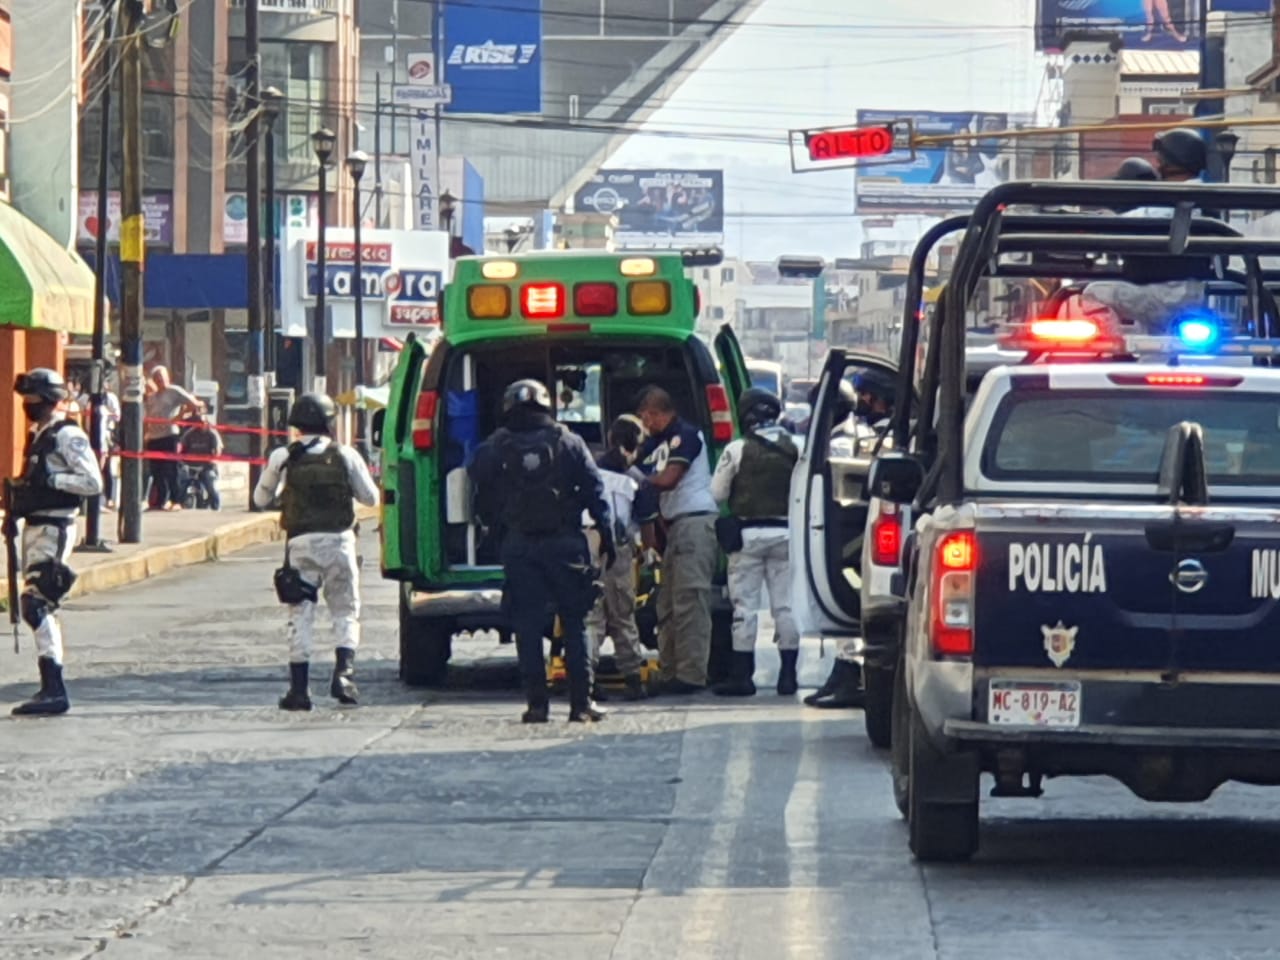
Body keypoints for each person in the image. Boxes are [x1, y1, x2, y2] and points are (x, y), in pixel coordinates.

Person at [469, 379, 615, 723]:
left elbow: (477, 481)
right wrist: (608, 536)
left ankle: (537, 705)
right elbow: (596, 491)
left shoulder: (495, 445)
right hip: (566, 544)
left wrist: (494, 526)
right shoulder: (569, 441)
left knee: (527, 627)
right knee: (576, 623)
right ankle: (581, 705)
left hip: (520, 546)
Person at [253, 393, 379, 711]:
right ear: (329, 422)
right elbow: (370, 498)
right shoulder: (346, 455)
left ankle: (299, 690)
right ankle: (344, 675)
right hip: (340, 541)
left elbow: (260, 498)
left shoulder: (284, 456)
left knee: (300, 614)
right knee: (345, 610)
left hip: (300, 543)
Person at [4, 369, 103, 716]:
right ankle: (49, 685)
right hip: (35, 527)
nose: (29, 406)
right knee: (36, 603)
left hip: (55, 527)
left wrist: (55, 479)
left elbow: (92, 482)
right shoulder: (40, 435)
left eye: (34, 400)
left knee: (36, 604)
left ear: (50, 400)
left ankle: (54, 687)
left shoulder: (67, 435)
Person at [709, 388, 801, 697]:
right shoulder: (795, 448)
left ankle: (742, 677)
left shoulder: (737, 450)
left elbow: (717, 493)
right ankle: (788, 676)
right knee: (785, 607)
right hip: (787, 535)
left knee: (744, 608)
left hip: (747, 537)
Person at [635, 386, 719, 694]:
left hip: (694, 524)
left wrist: (639, 479)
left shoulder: (685, 435)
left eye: (645, 417)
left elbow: (669, 479)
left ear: (654, 413)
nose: (644, 423)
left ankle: (691, 674)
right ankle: (670, 670)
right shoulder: (656, 443)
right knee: (667, 606)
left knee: (690, 602)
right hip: (674, 529)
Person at [586, 414, 648, 702]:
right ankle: (633, 679)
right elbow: (643, 519)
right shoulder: (634, 479)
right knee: (623, 613)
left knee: (591, 615)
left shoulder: (588, 470)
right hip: (619, 546)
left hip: (587, 543)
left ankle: (586, 679)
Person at [144, 366, 203, 511]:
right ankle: (160, 500)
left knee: (172, 469)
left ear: (167, 376)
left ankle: (176, 500)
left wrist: (180, 416)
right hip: (154, 437)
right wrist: (146, 434)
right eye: (157, 378)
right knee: (157, 471)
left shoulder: (174, 391)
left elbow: (195, 404)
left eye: (162, 377)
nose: (160, 380)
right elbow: (148, 417)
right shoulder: (152, 397)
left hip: (169, 435)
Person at [180, 414, 224, 510]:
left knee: (211, 486)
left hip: (207, 466)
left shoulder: (212, 434)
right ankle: (180, 503)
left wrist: (211, 460)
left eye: (202, 422)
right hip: (191, 466)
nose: (200, 425)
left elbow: (217, 451)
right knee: (182, 483)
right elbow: (182, 450)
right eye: (198, 423)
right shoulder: (189, 434)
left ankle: (216, 507)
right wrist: (183, 461)